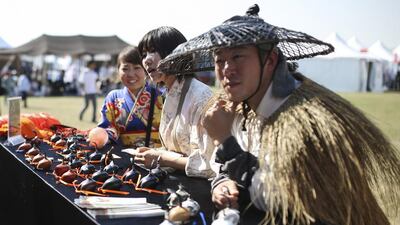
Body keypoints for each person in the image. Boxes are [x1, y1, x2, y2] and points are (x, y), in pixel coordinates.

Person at [157, 5, 400, 225]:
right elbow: (223, 167)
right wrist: (222, 181)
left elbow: (286, 198)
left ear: (270, 60)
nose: (227, 69)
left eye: (238, 56)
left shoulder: (306, 121)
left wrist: (226, 142)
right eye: (220, 60)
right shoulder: (241, 105)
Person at [132, 26, 216, 178]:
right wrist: (154, 153)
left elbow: (208, 164)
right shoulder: (171, 93)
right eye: (144, 55)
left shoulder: (200, 96)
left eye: (153, 51)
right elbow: (177, 151)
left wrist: (160, 158)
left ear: (175, 52)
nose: (146, 60)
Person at [97, 46, 163, 148]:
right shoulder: (113, 97)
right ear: (118, 70)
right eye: (125, 69)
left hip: (156, 157)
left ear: (146, 70)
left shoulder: (160, 97)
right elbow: (106, 128)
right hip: (122, 158)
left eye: (137, 68)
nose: (131, 74)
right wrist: (103, 135)